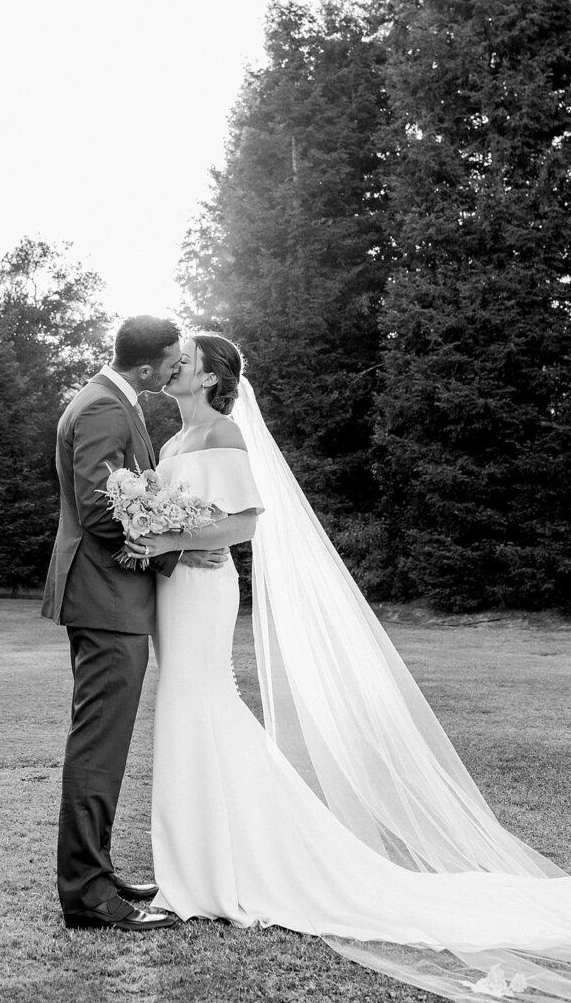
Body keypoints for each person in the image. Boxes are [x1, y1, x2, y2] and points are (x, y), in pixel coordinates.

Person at [126, 333, 571, 1002]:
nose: (174, 364)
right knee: (190, 713)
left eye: (186, 358)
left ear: (212, 376)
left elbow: (243, 524)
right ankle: (201, 860)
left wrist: (170, 537)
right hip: (170, 591)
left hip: (203, 589)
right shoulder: (170, 446)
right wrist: (146, 533)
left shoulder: (223, 435)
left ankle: (207, 873)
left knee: (199, 707)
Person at [41, 315, 228, 933]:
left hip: (110, 598)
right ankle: (88, 894)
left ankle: (97, 872)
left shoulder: (110, 400)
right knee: (99, 745)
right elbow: (100, 509)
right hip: (106, 599)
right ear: (146, 368)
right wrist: (173, 548)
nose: (178, 366)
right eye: (173, 359)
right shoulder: (103, 409)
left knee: (104, 744)